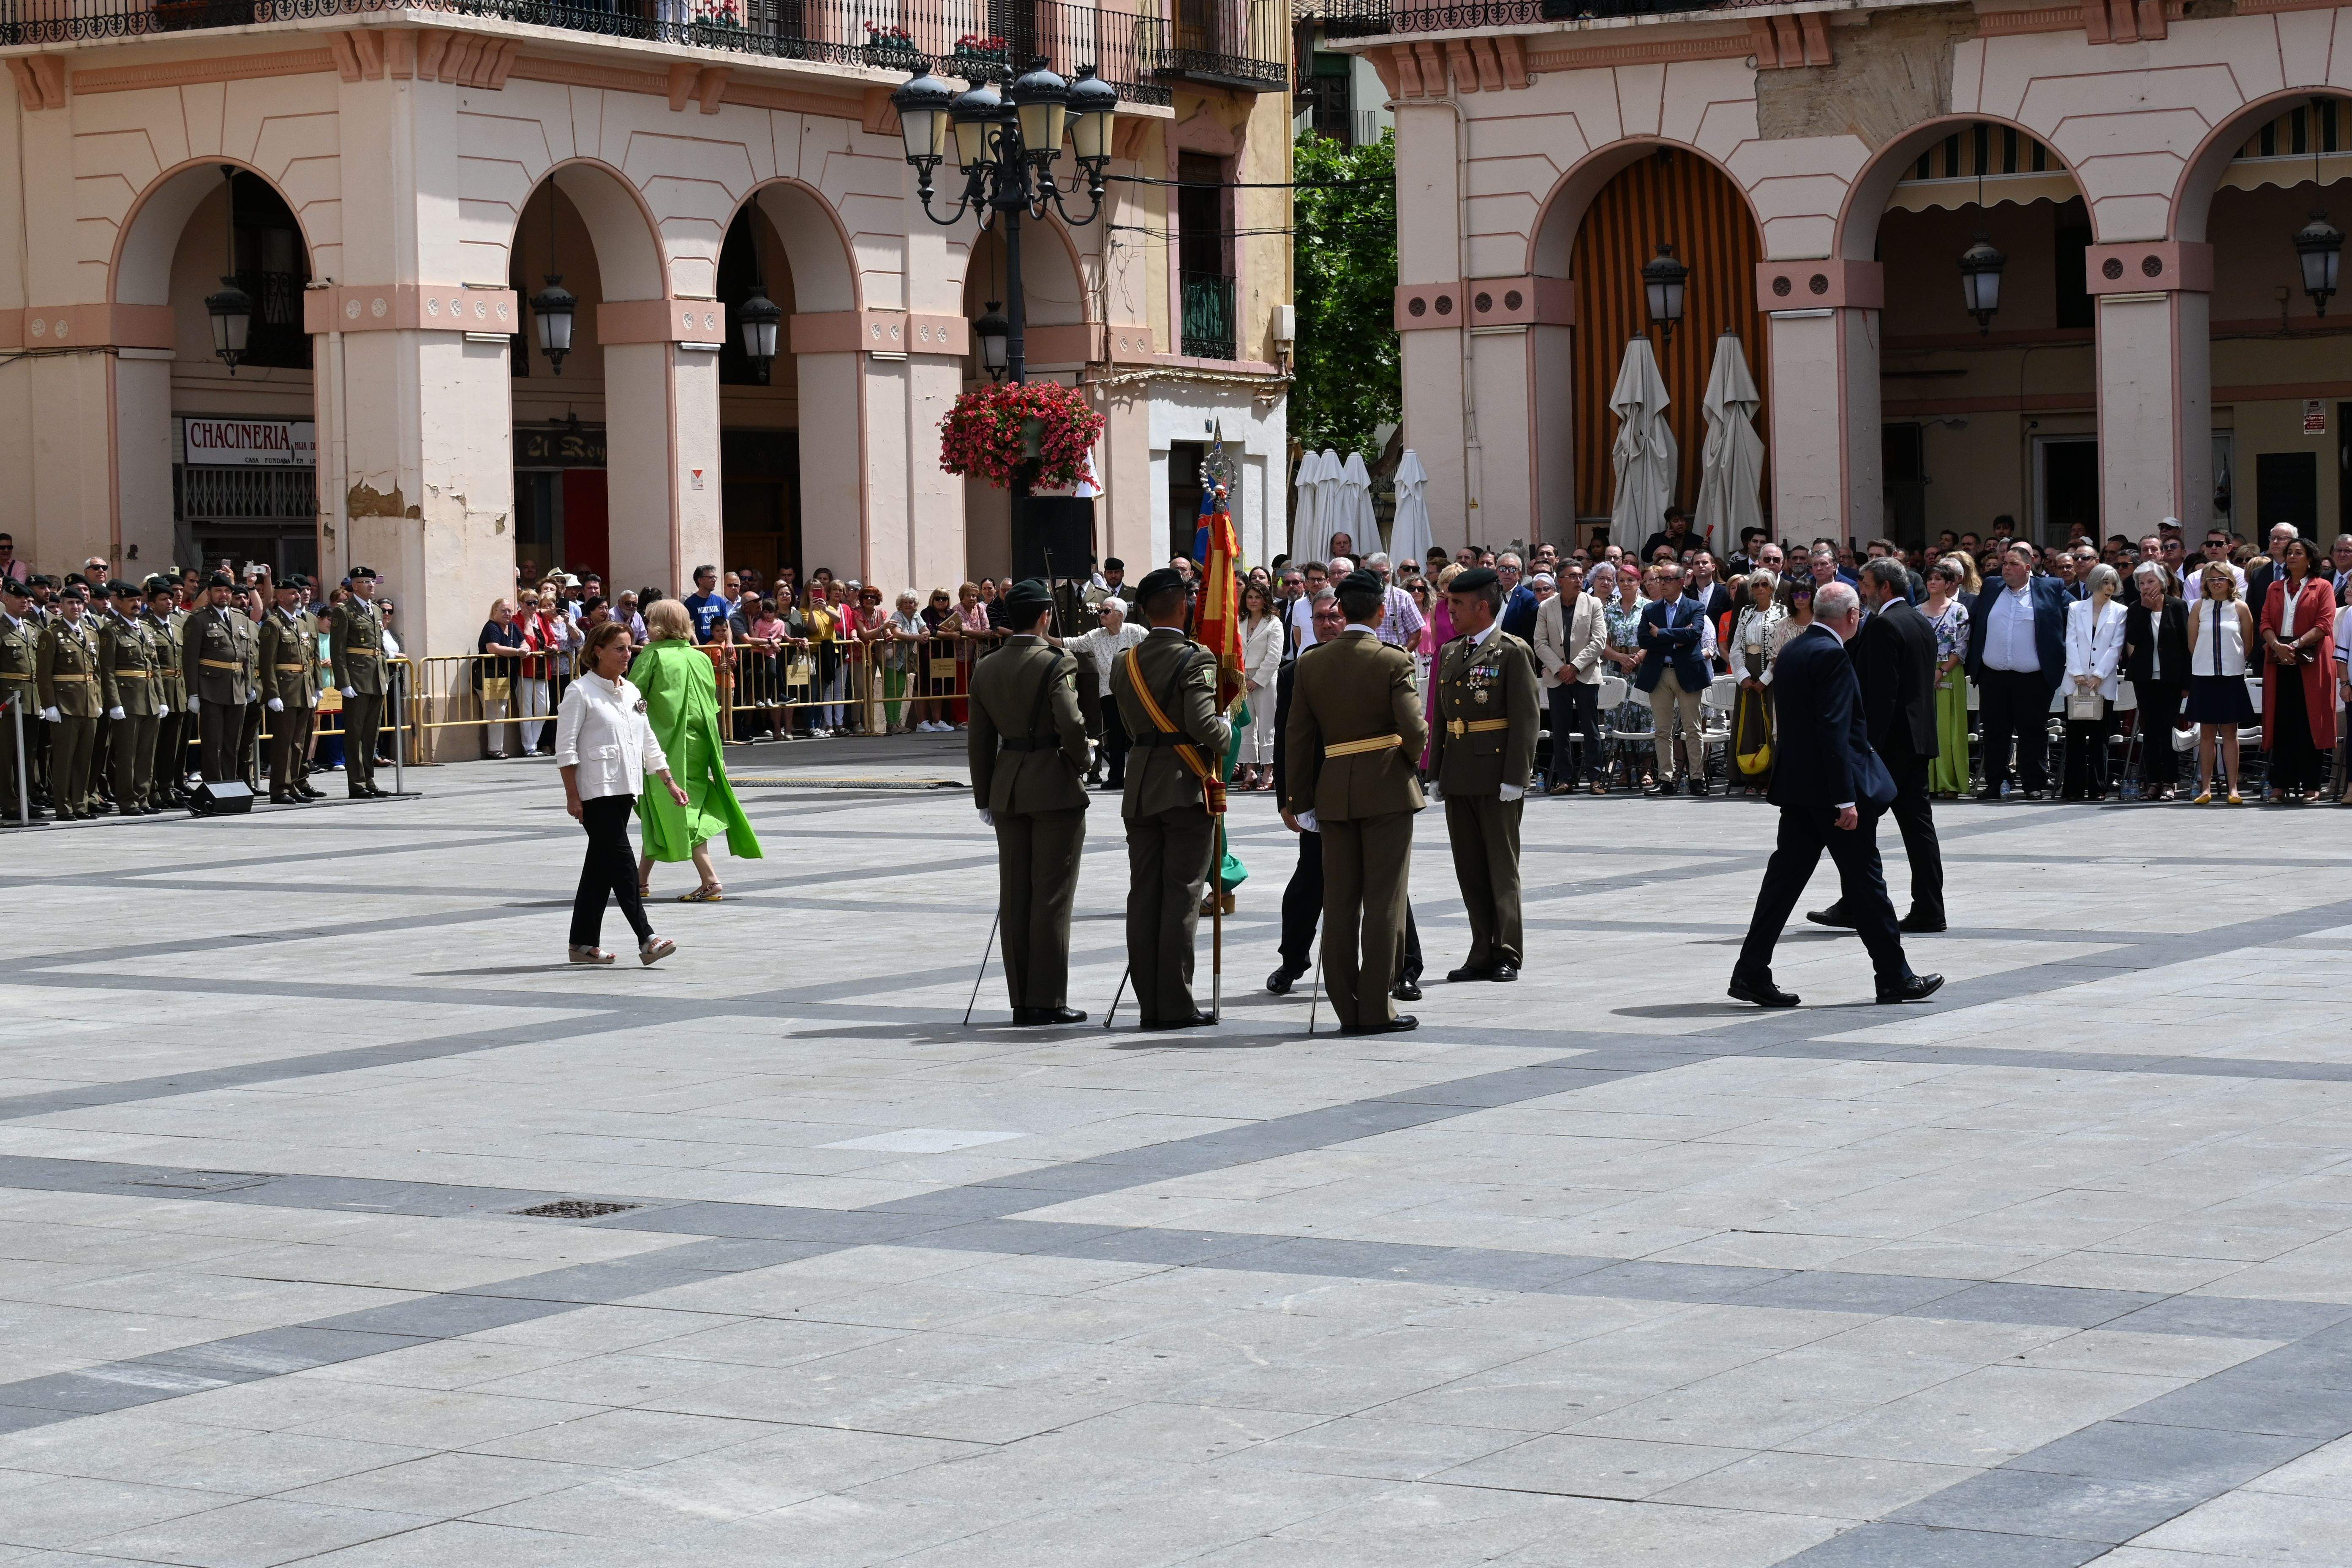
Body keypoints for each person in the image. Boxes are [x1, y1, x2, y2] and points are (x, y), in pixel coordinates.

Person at [1730, 581, 1942, 1009]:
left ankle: (1751, 970)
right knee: (1867, 882)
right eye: (1859, 613)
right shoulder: (1831, 655)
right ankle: (1895, 976)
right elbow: (1835, 730)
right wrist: (1846, 798)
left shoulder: (1795, 650)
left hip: (1799, 789)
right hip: (1831, 794)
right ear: (1849, 616)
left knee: (1783, 885)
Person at [1283, 568, 1427, 1035]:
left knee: (1340, 902)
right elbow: (1415, 729)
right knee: (1384, 901)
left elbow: (1298, 739)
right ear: (1382, 611)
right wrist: (1403, 762)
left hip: (1332, 793)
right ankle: (1375, 1007)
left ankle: (1346, 1007)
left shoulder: (1311, 663)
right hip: (1386, 787)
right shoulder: (1392, 659)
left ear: (1341, 611)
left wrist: (1299, 799)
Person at [1109, 567, 1229, 1030]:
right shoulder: (1194, 658)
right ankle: (1175, 1003)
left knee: (1145, 896)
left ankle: (1149, 1003)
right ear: (1183, 606)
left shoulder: (1126, 661)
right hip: (1183, 784)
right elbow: (1203, 723)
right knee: (1181, 896)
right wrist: (1228, 734)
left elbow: (1125, 722)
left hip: (1141, 785)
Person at [968, 579, 1091, 1026]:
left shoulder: (987, 666)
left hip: (1008, 786)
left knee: (1016, 894)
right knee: (1052, 897)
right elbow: (1071, 722)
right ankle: (1048, 999)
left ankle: (1021, 999)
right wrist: (1082, 762)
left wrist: (985, 794)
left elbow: (980, 741)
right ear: (1044, 616)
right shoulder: (1054, 661)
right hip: (1052, 784)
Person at [1811, 557, 1945, 934]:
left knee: (1856, 826)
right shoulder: (1920, 620)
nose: (1863, 590)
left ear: (1885, 587)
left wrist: (1865, 748)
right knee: (1919, 829)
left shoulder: (1885, 625)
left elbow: (1881, 695)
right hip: (1917, 742)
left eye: (1867, 583)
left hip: (1889, 748)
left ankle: (1857, 904)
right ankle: (1930, 908)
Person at [1428, 567, 1539, 983]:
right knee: (1470, 867)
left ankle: (1507, 949)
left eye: (1457, 603)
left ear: (1483, 606)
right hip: (1459, 770)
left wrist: (1517, 776)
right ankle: (1480, 949)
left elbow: (1526, 720)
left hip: (1496, 773)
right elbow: (1440, 716)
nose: (1450, 610)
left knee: (1501, 865)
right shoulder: (1451, 651)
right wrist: (1435, 770)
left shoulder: (1511, 651)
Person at [557, 621, 683, 966]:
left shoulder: (630, 691)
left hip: (625, 789)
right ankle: (647, 938)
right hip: (594, 793)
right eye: (620, 649)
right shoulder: (580, 692)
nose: (628, 655)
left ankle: (582, 944)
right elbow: (566, 750)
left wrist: (668, 780)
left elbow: (648, 741)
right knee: (623, 863)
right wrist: (573, 796)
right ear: (598, 651)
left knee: (600, 868)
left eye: (630, 649)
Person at [632, 598, 763, 900]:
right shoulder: (701, 657)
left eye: (651, 621)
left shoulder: (652, 657)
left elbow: (631, 699)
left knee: (674, 808)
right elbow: (711, 704)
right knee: (666, 807)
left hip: (664, 746)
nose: (647, 627)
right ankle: (639, 882)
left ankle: (710, 879)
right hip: (700, 744)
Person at [1965, 541, 2068, 800]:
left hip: (2033, 678)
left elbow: (2074, 615)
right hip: (1994, 676)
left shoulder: (2050, 588)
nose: (2006, 568)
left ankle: (2034, 784)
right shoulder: (1991, 587)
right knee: (1995, 732)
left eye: (2013, 564)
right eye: (2005, 563)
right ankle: (1995, 783)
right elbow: (1974, 621)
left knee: (2032, 732)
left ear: (2028, 566)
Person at [2259, 536, 2336, 803]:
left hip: (2311, 661)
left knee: (2309, 722)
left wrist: (2296, 645)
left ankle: (2311, 784)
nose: (2291, 557)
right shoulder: (2274, 588)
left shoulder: (2322, 586)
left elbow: (2325, 623)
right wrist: (2278, 646)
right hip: (2279, 660)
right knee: (2282, 721)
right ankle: (2280, 784)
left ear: (2310, 559)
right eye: (2289, 552)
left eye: (2298, 553)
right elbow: (2265, 621)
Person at [1635, 561, 1711, 797]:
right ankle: (1665, 779)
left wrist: (1663, 634)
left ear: (1680, 582)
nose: (1661, 584)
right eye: (1660, 579)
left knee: (1692, 728)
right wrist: (1678, 638)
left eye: (1667, 579)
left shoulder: (1695, 607)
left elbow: (1695, 633)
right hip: (1659, 673)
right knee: (1662, 730)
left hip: (1687, 673)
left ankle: (1697, 778)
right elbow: (1644, 640)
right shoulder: (1651, 610)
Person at [1534, 558, 1607, 795]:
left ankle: (1595, 778)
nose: (1579, 580)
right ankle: (1565, 779)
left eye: (1580, 576)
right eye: (1573, 576)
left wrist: (1574, 667)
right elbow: (1540, 643)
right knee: (1560, 729)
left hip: (1585, 674)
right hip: (1557, 677)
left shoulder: (1593, 603)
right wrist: (1560, 669)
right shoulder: (1546, 607)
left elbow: (1599, 641)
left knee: (1591, 728)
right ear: (1560, 580)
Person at [2186, 561, 2256, 805]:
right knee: (2206, 732)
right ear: (2205, 583)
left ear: (2230, 582)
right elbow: (2192, 644)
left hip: (2231, 676)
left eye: (2221, 578)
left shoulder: (2240, 607)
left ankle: (2233, 788)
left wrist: (2231, 661)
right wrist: (2206, 661)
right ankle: (2206, 788)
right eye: (2212, 579)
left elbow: (2247, 644)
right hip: (2204, 676)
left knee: (2230, 732)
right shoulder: (2198, 607)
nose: (2216, 583)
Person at [182, 570, 256, 794]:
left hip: (237, 687)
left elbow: (247, 656)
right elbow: (190, 659)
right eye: (218, 591)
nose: (223, 595)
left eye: (227, 591)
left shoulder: (240, 617)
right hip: (210, 688)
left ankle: (231, 785)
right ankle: (215, 786)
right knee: (213, 742)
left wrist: (249, 685)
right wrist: (193, 694)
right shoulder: (199, 619)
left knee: (232, 743)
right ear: (210, 593)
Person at [2058, 562, 2128, 800]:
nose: (2109, 588)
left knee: (2100, 739)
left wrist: (2099, 675)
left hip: (2102, 683)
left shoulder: (2120, 611)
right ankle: (2074, 789)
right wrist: (2077, 672)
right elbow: (2071, 641)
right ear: (2095, 583)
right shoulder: (2076, 608)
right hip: (2076, 683)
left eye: (2113, 583)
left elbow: (2116, 646)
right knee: (2075, 737)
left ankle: (2098, 787)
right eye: (2105, 583)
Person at [2123, 559, 2190, 802]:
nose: (2146, 587)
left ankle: (2170, 781)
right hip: (2145, 679)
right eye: (2141, 583)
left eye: (2151, 581)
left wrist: (2186, 683)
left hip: (2171, 679)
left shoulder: (2178, 606)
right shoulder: (2134, 607)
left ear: (2162, 583)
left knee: (2167, 730)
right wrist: (2144, 608)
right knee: (2149, 732)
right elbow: (2132, 638)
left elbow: (2186, 646)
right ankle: (2152, 782)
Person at [35, 583, 102, 818]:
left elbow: (97, 671)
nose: (75, 607)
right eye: (70, 603)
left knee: (85, 758)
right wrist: (50, 704)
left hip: (89, 703)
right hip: (65, 704)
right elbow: (44, 673)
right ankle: (63, 806)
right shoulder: (51, 634)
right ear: (61, 607)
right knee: (64, 758)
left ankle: (80, 804)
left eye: (79, 603)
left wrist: (99, 699)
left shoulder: (91, 633)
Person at [1069, 596, 1144, 789]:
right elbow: (1074, 643)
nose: (1101, 614)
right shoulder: (1096, 636)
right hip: (1108, 692)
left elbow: (1154, 647)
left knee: (1138, 735)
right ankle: (1116, 777)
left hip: (1135, 691)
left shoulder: (1135, 631)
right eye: (1101, 611)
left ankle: (1139, 777)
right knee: (1116, 736)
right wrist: (1044, 636)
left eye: (1106, 611)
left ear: (1120, 616)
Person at [257, 575, 319, 805]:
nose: (298, 596)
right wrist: (272, 694)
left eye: (298, 593)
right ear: (280, 597)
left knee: (298, 742)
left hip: (303, 687)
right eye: (292, 594)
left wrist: (315, 686)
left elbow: (309, 658)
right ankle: (279, 788)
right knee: (283, 742)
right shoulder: (273, 624)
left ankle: (293, 784)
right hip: (285, 689)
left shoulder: (301, 623)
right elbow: (267, 663)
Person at [329, 568, 389, 798]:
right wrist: (344, 682)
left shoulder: (375, 609)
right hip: (357, 678)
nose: (372, 586)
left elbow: (379, 646)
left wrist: (384, 667)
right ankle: (357, 783)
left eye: (373, 581)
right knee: (354, 733)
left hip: (376, 677)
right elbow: (338, 650)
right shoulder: (344, 612)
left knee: (371, 733)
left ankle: (370, 780)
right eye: (366, 582)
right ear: (355, 586)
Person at [1726, 571, 1786, 796]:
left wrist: (1766, 679)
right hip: (1748, 676)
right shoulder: (1745, 612)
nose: (1760, 589)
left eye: (1764, 584)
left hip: (1771, 674)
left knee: (1771, 726)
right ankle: (1752, 777)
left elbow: (1781, 646)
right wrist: (1742, 676)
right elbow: (1736, 645)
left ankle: (1771, 777)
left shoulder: (1782, 612)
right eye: (1755, 585)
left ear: (1772, 588)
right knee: (1749, 726)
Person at [1921, 558, 1974, 799]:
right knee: (1926, 727)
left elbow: (1961, 646)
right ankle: (1928, 782)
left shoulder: (1959, 610)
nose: (1933, 582)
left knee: (1950, 728)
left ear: (1949, 583)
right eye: (1930, 578)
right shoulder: (1916, 611)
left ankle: (1951, 782)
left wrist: (1941, 671)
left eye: (1938, 578)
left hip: (1950, 670)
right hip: (1921, 674)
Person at [0, 577, 45, 820]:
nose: (25, 602)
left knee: (28, 752)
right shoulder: (1, 627)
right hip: (7, 700)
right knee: (7, 754)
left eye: (27, 599)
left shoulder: (31, 629)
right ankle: (9, 802)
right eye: (19, 598)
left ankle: (24, 798)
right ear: (5, 599)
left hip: (31, 697)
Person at [1236, 581, 1285, 791]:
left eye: (1257, 597)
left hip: (1265, 678)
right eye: (1249, 597)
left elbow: (1275, 656)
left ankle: (1268, 771)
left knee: (1267, 725)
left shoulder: (1273, 622)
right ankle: (1250, 770)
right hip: (1243, 677)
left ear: (1265, 599)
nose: (1253, 601)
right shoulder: (1241, 621)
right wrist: (1240, 677)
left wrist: (1257, 680)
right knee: (1247, 725)